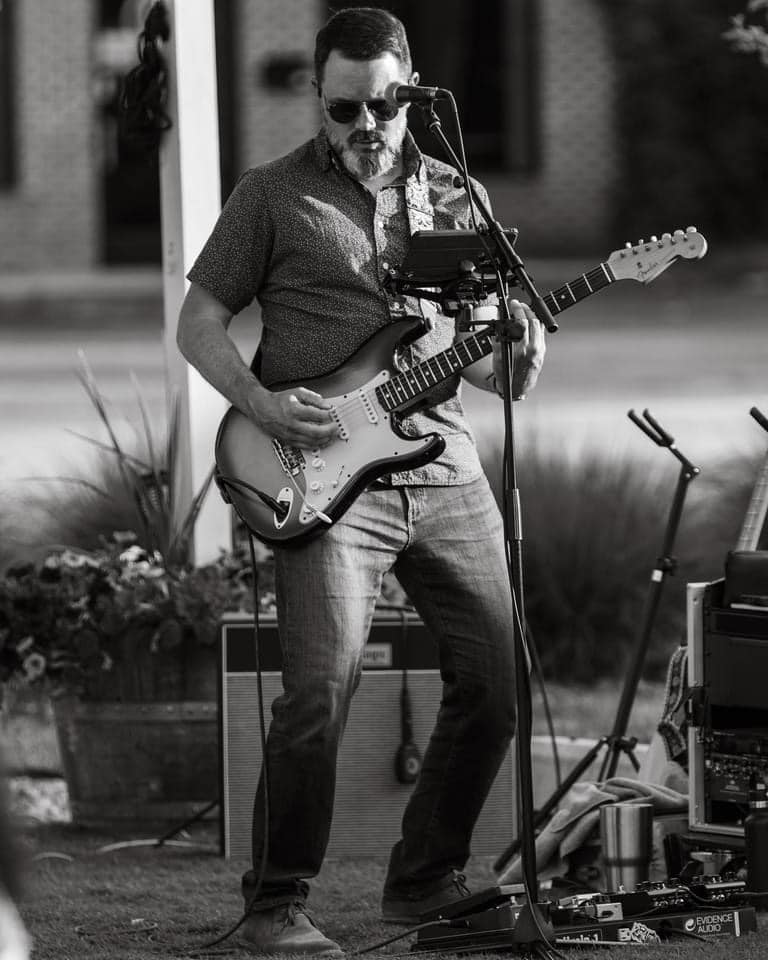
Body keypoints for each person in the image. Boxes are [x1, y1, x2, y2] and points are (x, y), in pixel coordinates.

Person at [177, 7, 546, 956]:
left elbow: (495, 373)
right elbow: (199, 325)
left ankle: (425, 883)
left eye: (385, 103)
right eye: (347, 107)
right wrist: (260, 405)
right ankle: (273, 909)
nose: (367, 123)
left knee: (496, 685)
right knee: (317, 695)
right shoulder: (272, 195)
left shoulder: (456, 196)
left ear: (412, 90)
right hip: (322, 473)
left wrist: (520, 347)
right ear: (318, 95)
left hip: (446, 462)